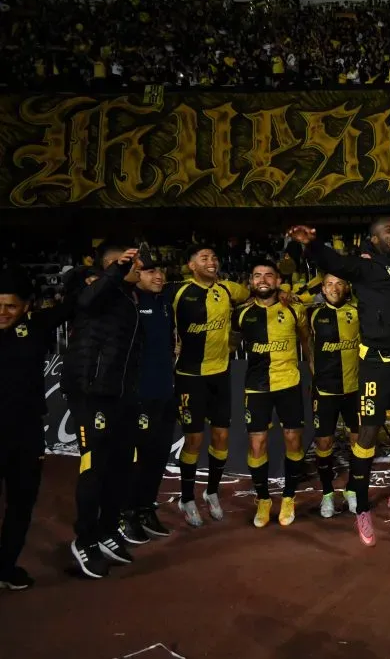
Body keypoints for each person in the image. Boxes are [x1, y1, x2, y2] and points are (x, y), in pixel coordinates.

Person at [288, 217, 390, 546]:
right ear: (374, 241)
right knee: (366, 435)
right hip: (375, 367)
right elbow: (330, 261)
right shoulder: (362, 268)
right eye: (387, 232)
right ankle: (362, 507)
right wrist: (308, 242)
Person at [62, 244, 142, 579]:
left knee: (120, 465)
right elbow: (84, 301)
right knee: (93, 468)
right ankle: (84, 539)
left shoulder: (125, 298)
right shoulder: (90, 284)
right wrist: (116, 270)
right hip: (90, 393)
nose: (139, 268)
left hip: (118, 396)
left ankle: (107, 529)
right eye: (132, 263)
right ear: (114, 264)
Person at [166, 246, 250, 527]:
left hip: (221, 374)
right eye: (204, 258)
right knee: (194, 440)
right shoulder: (177, 291)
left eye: (214, 257)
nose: (211, 262)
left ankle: (211, 491)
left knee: (221, 438)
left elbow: (250, 295)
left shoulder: (227, 290)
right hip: (190, 376)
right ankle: (186, 497)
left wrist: (235, 336)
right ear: (191, 265)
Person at [0, 269, 73, 590]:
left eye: (11, 307)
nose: (2, 313)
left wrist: (113, 271)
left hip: (26, 433)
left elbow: (76, 305)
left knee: (21, 503)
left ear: (27, 306)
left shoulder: (36, 327)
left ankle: (5, 567)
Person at [232, 261, 309, 528]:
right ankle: (263, 499)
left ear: (278, 281)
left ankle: (288, 497)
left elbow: (306, 340)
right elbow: (230, 343)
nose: (263, 280)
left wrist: (312, 368)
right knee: (257, 445)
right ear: (251, 282)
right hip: (256, 387)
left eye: (268, 275)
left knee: (294, 442)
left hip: (289, 383)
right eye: (257, 276)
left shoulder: (293, 309)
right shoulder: (241, 313)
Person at [119, 260, 176, 544]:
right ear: (136, 275)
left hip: (165, 391)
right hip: (139, 394)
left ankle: (145, 509)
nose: (159, 275)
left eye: (161, 271)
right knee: (136, 459)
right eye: (151, 271)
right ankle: (124, 513)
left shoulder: (165, 302)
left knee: (157, 456)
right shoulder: (129, 301)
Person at [309, 274, 361, 519]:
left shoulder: (358, 311)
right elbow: (305, 343)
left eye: (340, 283)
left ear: (346, 286)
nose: (334, 288)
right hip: (325, 391)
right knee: (323, 444)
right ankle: (328, 494)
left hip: (354, 389)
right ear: (322, 288)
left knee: (358, 442)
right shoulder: (313, 314)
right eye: (329, 284)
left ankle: (352, 489)